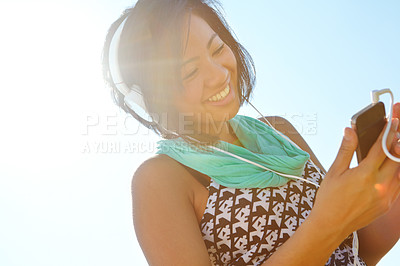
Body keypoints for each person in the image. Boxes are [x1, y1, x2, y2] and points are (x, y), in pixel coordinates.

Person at [102, 0, 400, 265]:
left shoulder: (278, 131)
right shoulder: (161, 178)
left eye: (218, 48)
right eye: (189, 72)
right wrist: (327, 222)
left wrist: (390, 176)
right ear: (149, 99)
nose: (219, 74)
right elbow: (331, 228)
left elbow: (359, 251)